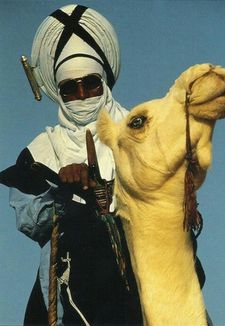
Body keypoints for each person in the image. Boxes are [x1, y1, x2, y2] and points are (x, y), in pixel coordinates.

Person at [0, 4, 143, 326]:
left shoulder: (141, 133)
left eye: (90, 83)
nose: (82, 95)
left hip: (141, 265)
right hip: (69, 275)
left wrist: (112, 191)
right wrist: (61, 193)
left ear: (104, 83)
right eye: (70, 88)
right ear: (59, 93)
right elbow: (31, 223)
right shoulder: (40, 152)